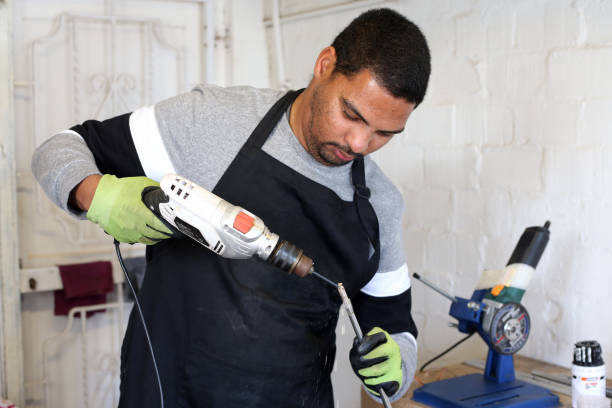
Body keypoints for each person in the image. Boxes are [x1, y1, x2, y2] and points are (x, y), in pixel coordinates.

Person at [32, 7, 430, 408]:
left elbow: (396, 328)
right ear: (324, 65)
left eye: (384, 133)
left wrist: (395, 367)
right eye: (351, 114)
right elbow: (61, 148)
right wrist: (97, 194)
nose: (359, 143)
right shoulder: (214, 123)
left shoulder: (380, 203)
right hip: (167, 394)